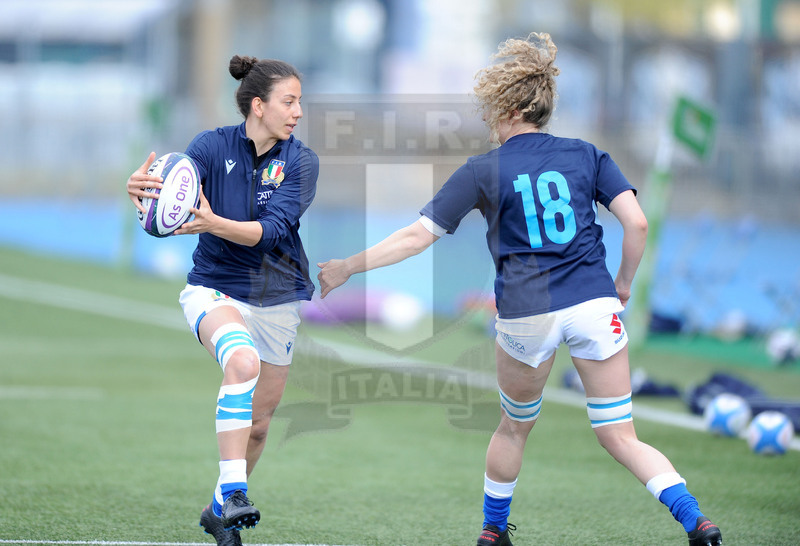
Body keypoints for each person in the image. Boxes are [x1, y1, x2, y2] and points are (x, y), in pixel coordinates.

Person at [317, 33, 722, 546]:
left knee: (514, 427)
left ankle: (492, 532)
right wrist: (621, 285)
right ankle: (696, 520)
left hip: (526, 313)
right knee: (620, 435)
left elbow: (416, 236)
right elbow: (636, 224)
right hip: (594, 303)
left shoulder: (483, 169)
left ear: (507, 108)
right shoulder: (587, 154)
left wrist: (349, 266)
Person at [126, 55, 318, 546]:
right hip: (214, 287)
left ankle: (218, 510)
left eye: (300, 101)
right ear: (258, 105)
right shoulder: (209, 147)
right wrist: (145, 194)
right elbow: (171, 205)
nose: (298, 111)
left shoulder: (301, 161)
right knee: (242, 362)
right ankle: (235, 491)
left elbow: (272, 232)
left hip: (278, 296)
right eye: (289, 101)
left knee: (258, 426)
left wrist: (213, 223)